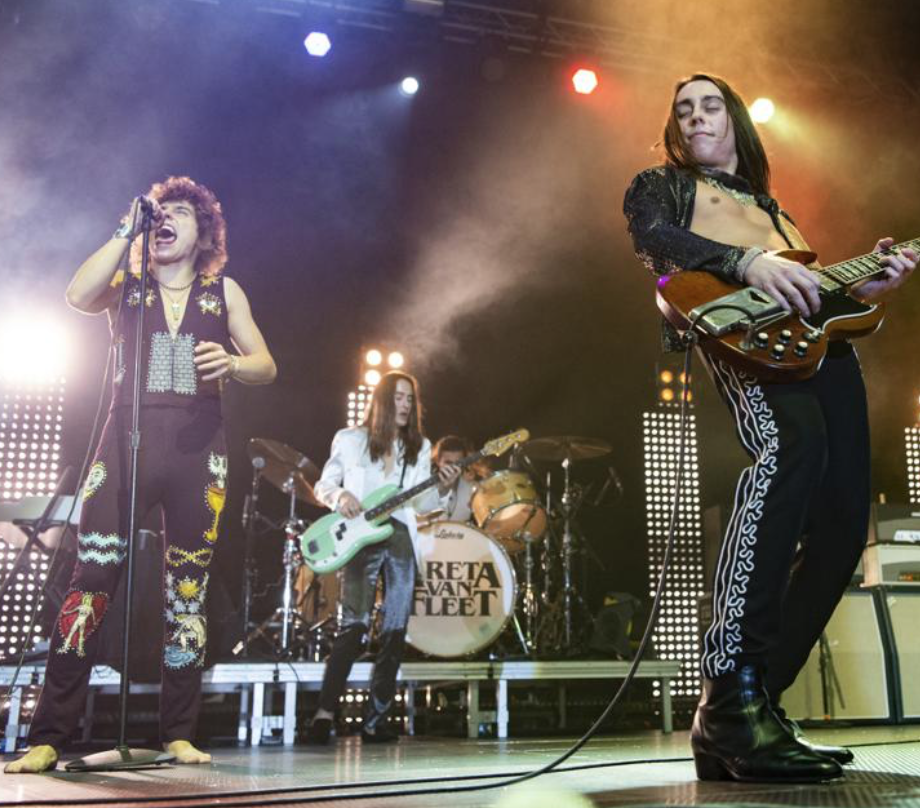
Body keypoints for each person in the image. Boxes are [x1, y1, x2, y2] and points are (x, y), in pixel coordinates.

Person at [623, 74, 916, 783]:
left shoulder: (773, 209)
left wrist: (870, 286)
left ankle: (755, 707)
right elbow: (651, 236)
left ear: (735, 122)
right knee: (788, 449)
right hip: (745, 339)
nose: (696, 116)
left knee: (846, 522)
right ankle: (728, 694)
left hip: (825, 354)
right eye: (684, 107)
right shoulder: (662, 185)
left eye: (710, 104)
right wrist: (745, 261)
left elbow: (821, 300)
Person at [6, 177, 277, 774]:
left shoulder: (222, 291)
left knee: (187, 592)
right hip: (124, 446)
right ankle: (49, 734)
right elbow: (77, 294)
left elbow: (266, 364)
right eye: (161, 213)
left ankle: (178, 731)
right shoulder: (128, 287)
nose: (167, 220)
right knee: (90, 579)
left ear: (203, 230)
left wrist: (233, 362)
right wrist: (125, 229)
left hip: (199, 452)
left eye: (180, 212)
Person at [305, 371, 460, 743]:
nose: (406, 404)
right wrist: (340, 498)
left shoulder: (419, 448)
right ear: (382, 400)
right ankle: (325, 713)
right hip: (360, 535)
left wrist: (444, 486)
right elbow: (324, 483)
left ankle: (376, 720)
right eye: (400, 397)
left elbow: (421, 503)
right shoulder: (350, 439)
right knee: (353, 627)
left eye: (410, 398)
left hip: (401, 534)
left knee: (394, 629)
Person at [431, 435, 477, 523]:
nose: (452, 469)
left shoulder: (472, 490)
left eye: (458, 463)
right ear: (437, 461)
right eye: (448, 463)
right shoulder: (424, 489)